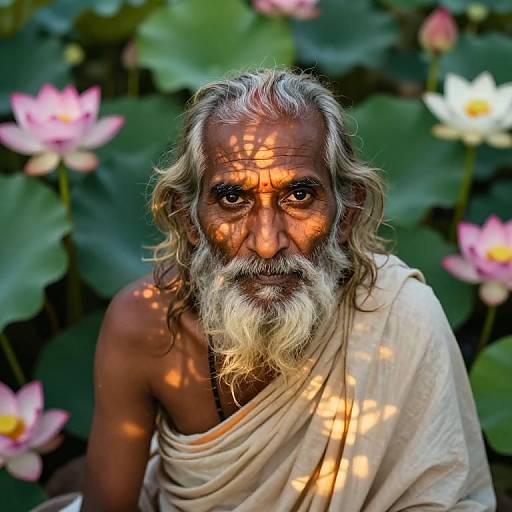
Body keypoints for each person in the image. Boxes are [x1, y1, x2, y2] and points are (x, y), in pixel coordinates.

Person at [37, 69, 496, 511]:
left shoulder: (402, 316)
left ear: (347, 212)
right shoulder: (145, 323)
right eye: (232, 199)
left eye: (299, 197)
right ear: (188, 219)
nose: (266, 241)